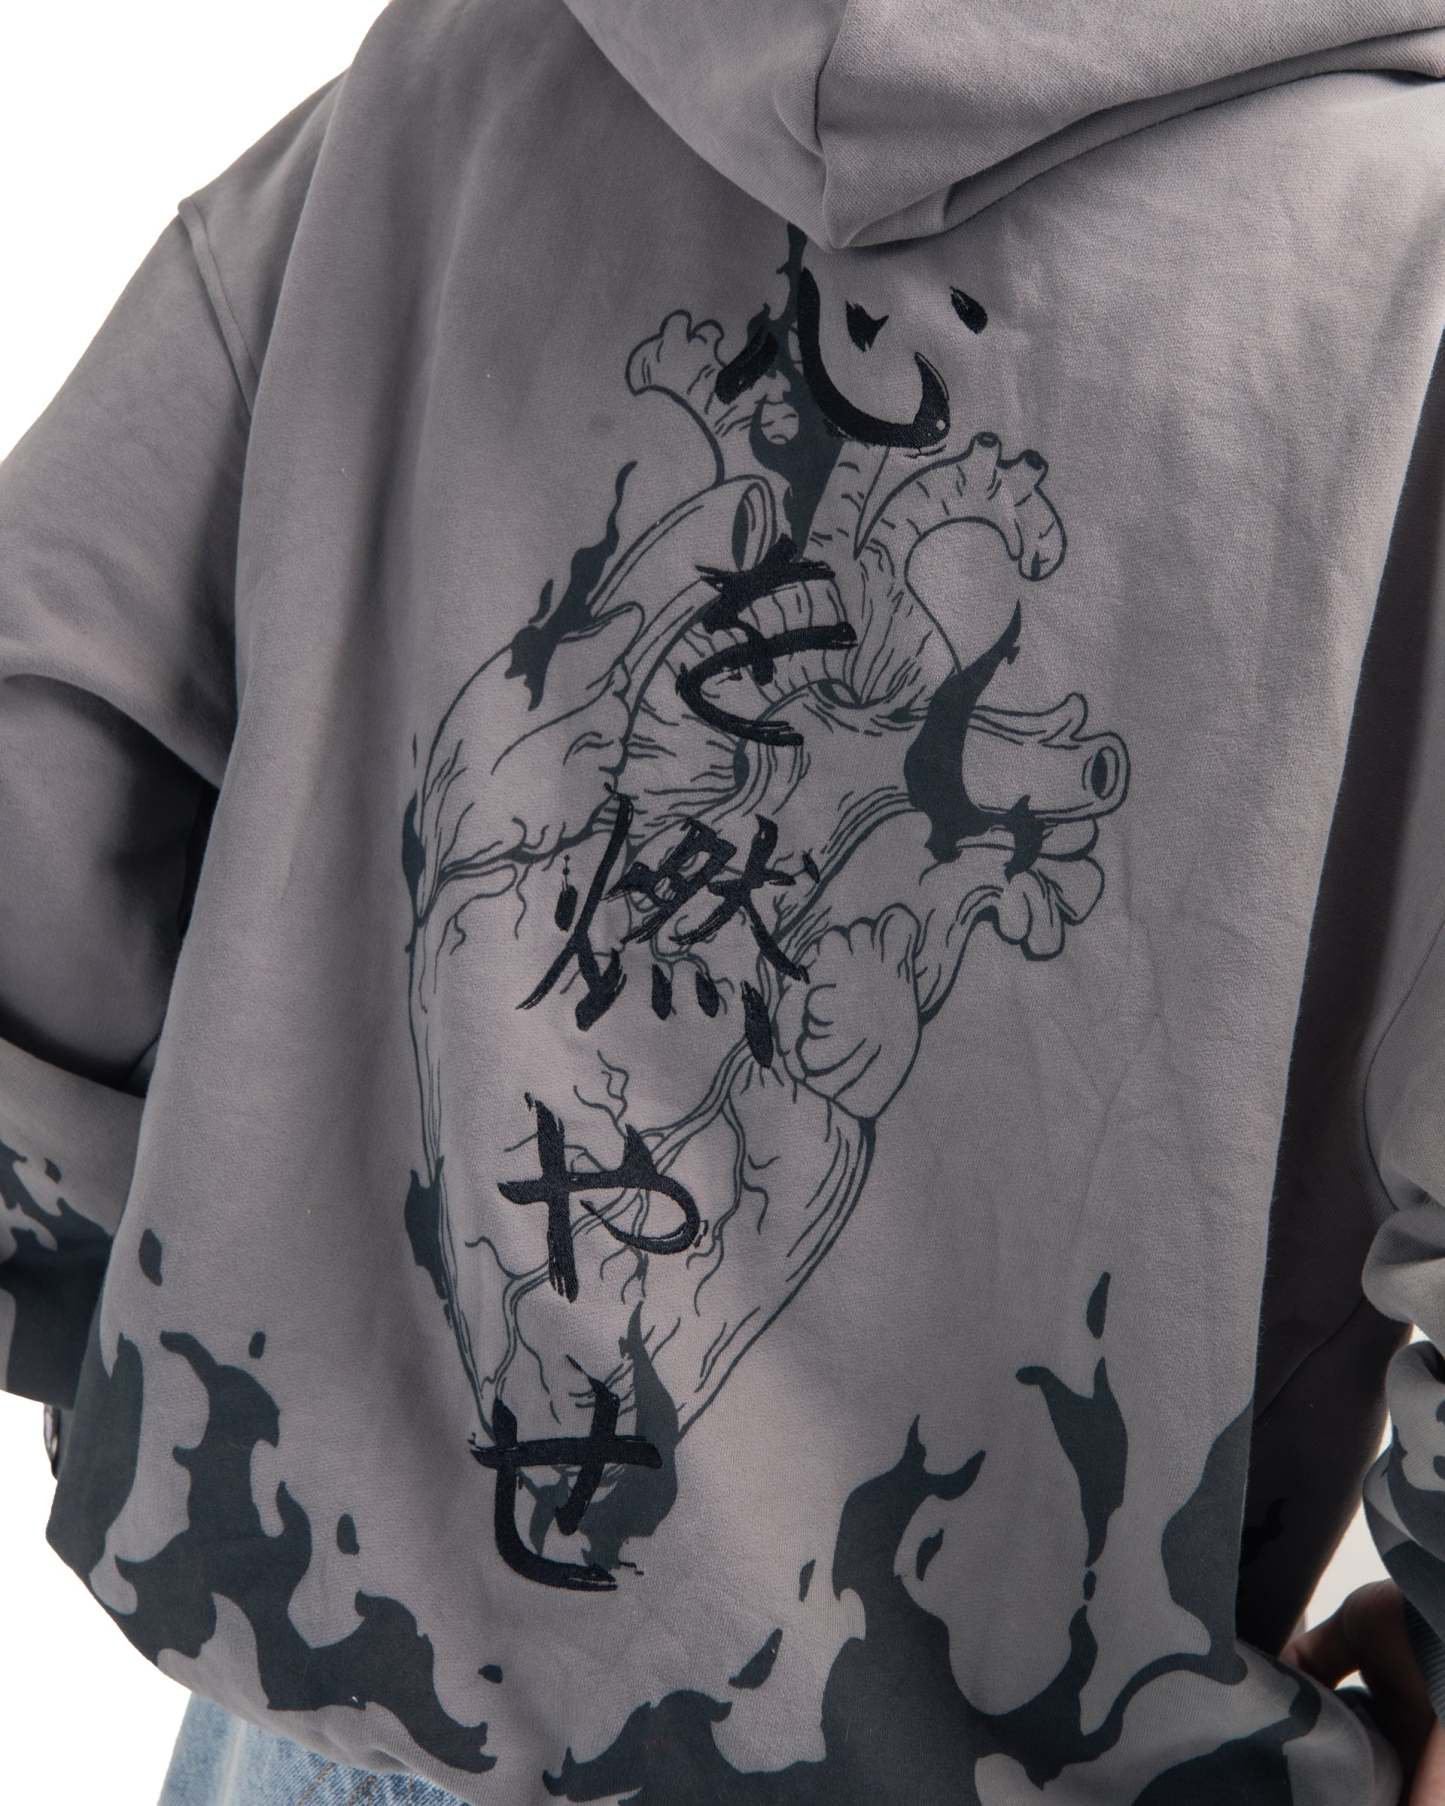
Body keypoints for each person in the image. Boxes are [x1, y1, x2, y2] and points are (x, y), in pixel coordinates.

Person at [5, 0, 1445, 1800]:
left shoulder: (470, 70)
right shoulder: (1410, 275)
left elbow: (37, 764)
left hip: (343, 1675)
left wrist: (211, 1365)